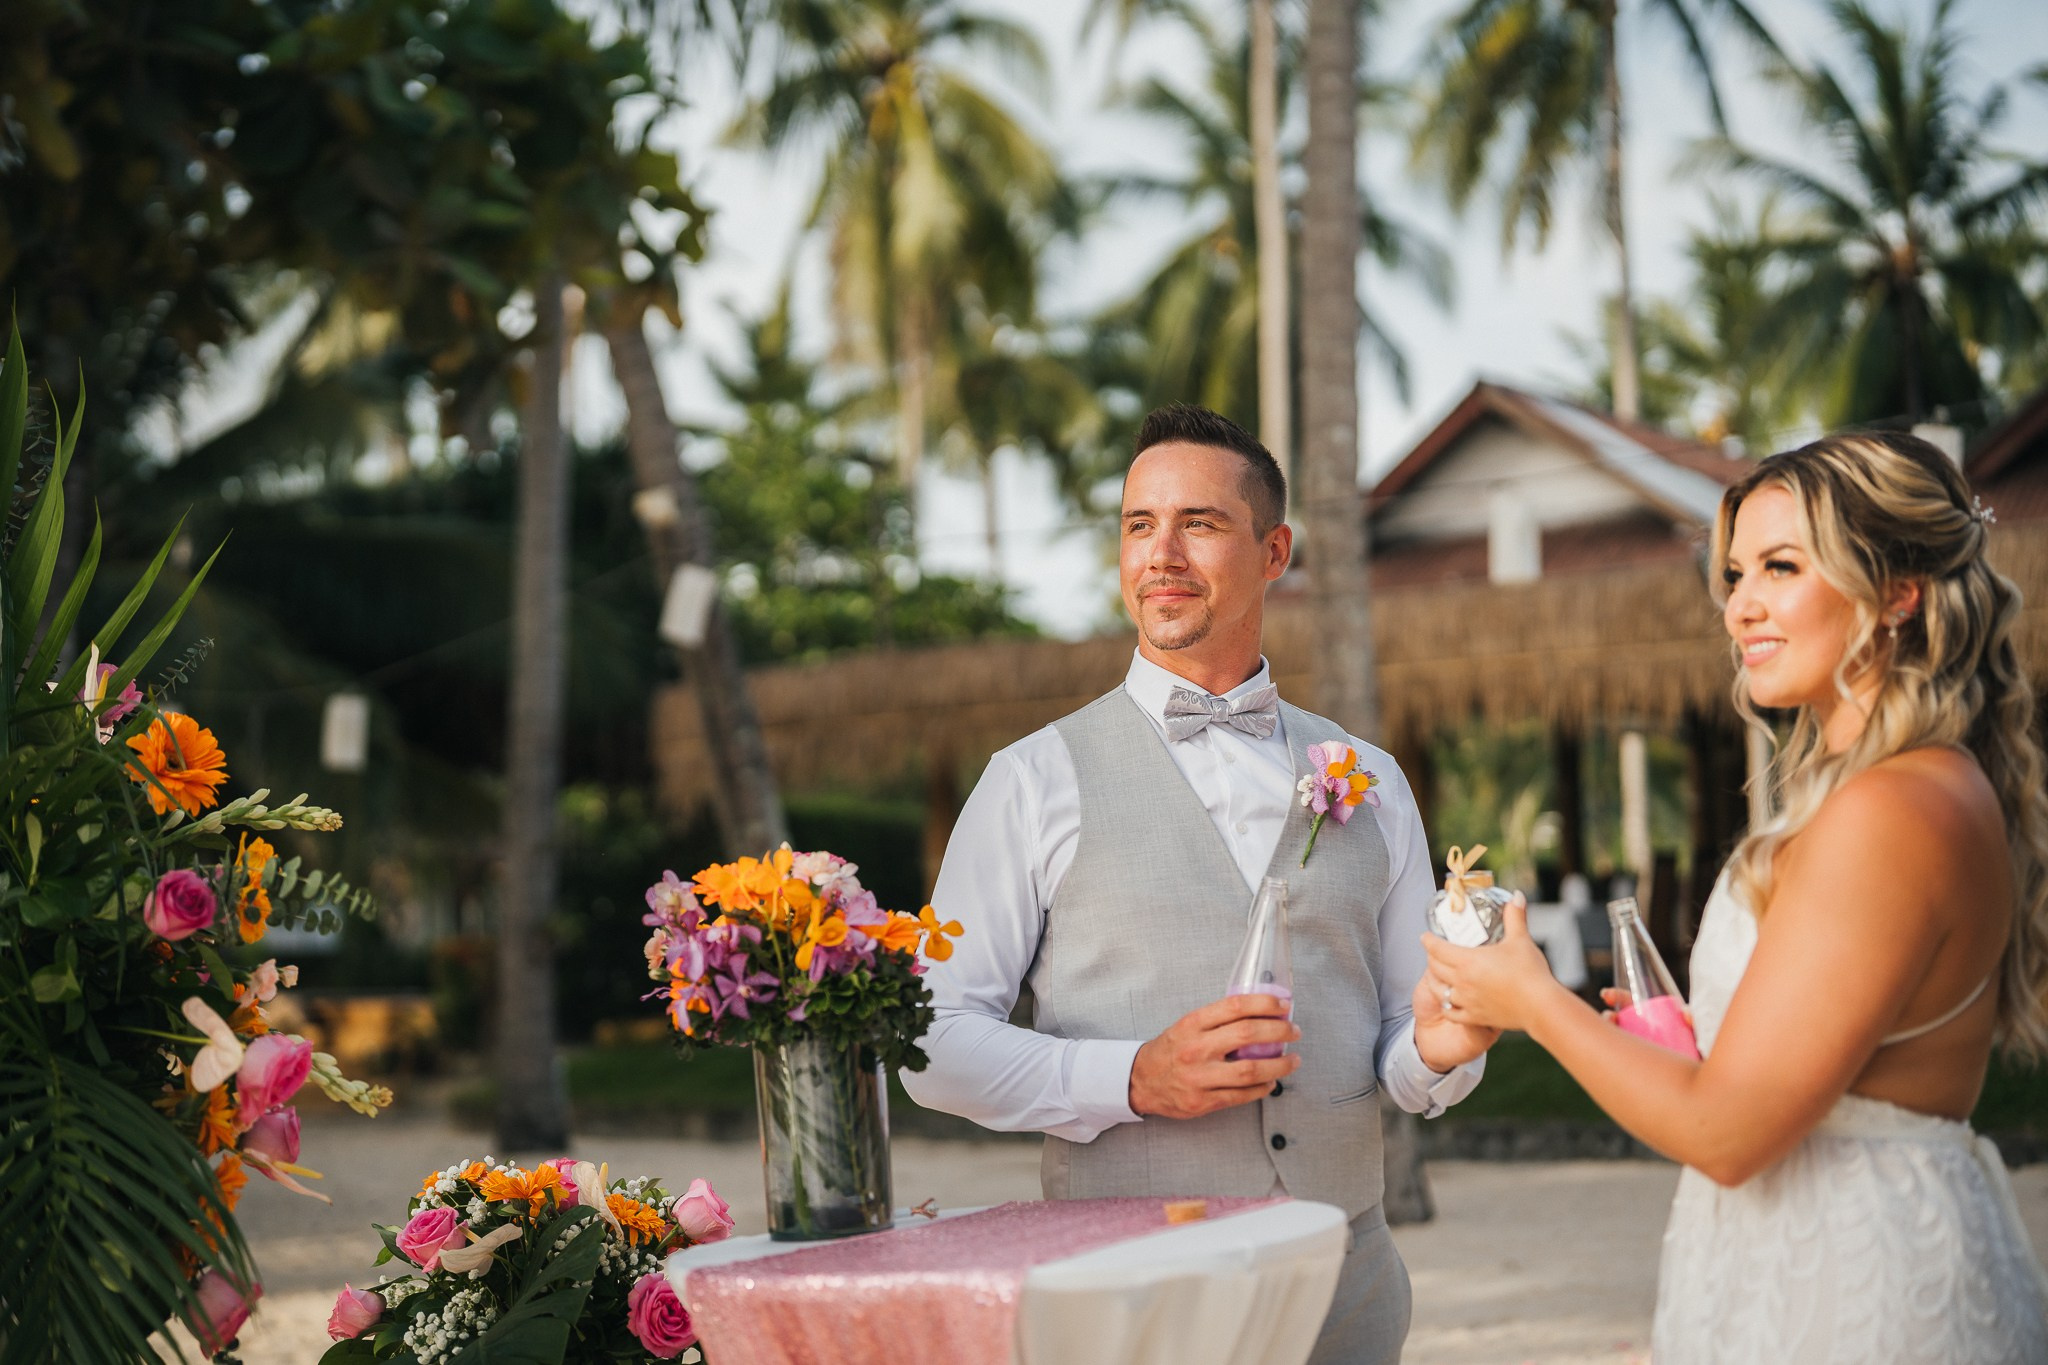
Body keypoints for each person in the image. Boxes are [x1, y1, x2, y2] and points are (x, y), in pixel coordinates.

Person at [1423, 432, 2048, 1363]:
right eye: (1735, 572)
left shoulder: (1891, 809)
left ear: (1899, 592)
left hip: (1851, 1290)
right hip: (1805, 1259)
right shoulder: (1898, 787)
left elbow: (1725, 1132)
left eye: (1782, 567)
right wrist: (1698, 1046)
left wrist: (1536, 1002)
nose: (1740, 604)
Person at [901, 404, 1497, 1364]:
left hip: (1345, 1292)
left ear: (1275, 551)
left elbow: (1399, 1041)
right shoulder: (1032, 779)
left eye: (1200, 523)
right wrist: (1132, 1077)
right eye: (1140, 524)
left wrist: (1446, 1043)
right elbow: (929, 1041)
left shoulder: (1374, 780)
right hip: (1128, 1296)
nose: (1161, 555)